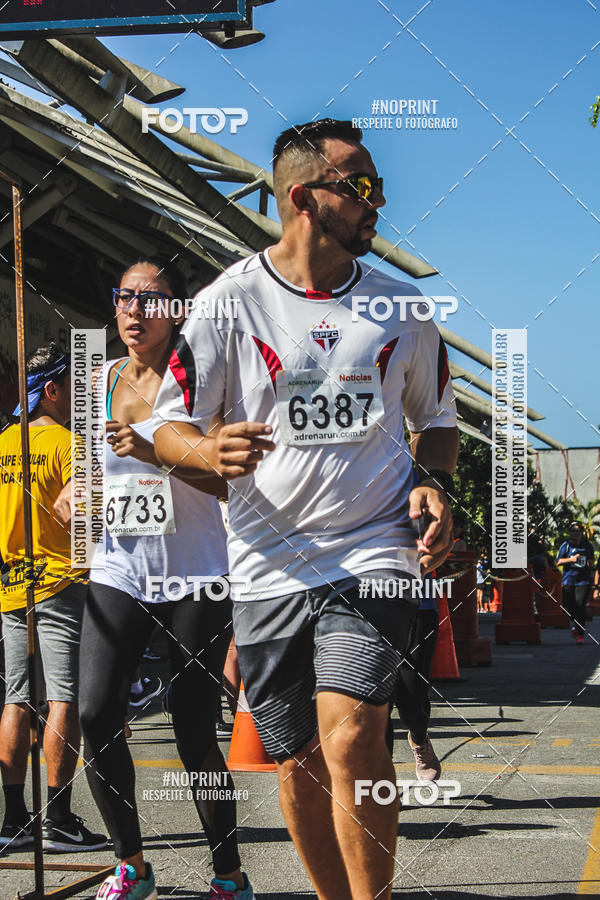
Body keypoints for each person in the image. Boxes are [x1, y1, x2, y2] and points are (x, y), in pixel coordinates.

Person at [153, 118, 458, 899]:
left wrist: (433, 482)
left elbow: (439, 422)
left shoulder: (404, 310)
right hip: (266, 563)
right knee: (298, 758)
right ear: (302, 197)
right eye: (360, 187)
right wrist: (205, 452)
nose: (378, 203)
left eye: (377, 187)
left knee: (354, 731)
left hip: (374, 549)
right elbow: (166, 424)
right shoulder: (227, 304)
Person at [79, 260, 253, 900]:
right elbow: (89, 471)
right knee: (94, 716)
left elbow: (226, 480)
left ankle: (229, 874)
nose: (134, 311)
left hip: (198, 575)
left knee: (192, 728)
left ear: (178, 310)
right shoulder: (97, 381)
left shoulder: (205, 382)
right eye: (124, 297)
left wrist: (155, 450)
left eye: (151, 300)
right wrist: (79, 492)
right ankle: (132, 865)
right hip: (119, 568)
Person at [0, 343, 107, 852]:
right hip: (62, 582)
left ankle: (14, 819)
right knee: (64, 696)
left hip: (10, 584)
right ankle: (59, 818)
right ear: (53, 391)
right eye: (74, 386)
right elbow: (84, 526)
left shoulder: (2, 443)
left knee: (16, 698)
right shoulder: (71, 444)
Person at [556, 522, 595, 644]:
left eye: (578, 531)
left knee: (581, 605)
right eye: (573, 531)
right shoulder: (566, 545)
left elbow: (592, 560)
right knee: (572, 608)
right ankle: (575, 626)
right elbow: (558, 561)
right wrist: (571, 559)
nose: (576, 533)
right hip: (569, 580)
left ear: (581, 533)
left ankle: (580, 635)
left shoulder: (587, 546)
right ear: (570, 533)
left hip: (583, 580)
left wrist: (589, 563)